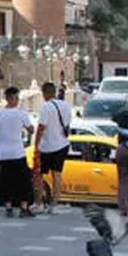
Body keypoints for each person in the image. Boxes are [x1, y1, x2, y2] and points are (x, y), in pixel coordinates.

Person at [0, 86, 35, 218]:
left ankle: (8, 206)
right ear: (14, 98)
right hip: (18, 153)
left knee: (6, 181)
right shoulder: (21, 114)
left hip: (3, 154)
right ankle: (23, 207)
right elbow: (31, 129)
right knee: (23, 181)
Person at [33, 81, 72, 215]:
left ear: (44, 93)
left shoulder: (46, 107)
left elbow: (41, 127)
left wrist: (36, 145)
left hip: (47, 146)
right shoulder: (65, 105)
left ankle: (39, 203)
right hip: (62, 144)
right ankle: (54, 204)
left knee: (39, 174)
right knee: (57, 174)